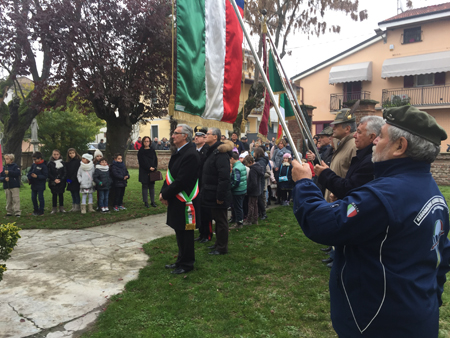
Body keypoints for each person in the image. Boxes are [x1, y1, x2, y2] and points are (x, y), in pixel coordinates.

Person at [291, 105, 450, 338]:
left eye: (382, 136)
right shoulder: (433, 193)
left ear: (400, 146)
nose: (375, 141)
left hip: (378, 323)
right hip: (417, 315)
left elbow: (322, 224)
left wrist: (304, 183)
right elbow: (441, 257)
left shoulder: (385, 195)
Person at [160, 124, 201, 274]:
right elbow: (170, 176)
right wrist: (163, 192)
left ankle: (187, 264)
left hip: (185, 201)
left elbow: (182, 181)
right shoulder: (179, 152)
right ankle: (180, 260)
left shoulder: (190, 154)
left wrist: (166, 194)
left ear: (185, 136)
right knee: (179, 231)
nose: (172, 136)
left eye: (176, 133)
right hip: (177, 200)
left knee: (186, 234)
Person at [315, 116, 384, 200]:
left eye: (359, 132)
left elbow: (351, 188)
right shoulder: (350, 148)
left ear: (371, 137)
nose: (355, 135)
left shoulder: (369, 159)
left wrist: (325, 173)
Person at [202, 128, 233, 255]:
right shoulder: (212, 151)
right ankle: (217, 243)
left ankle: (222, 248)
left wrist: (220, 196)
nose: (205, 136)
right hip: (211, 191)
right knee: (217, 219)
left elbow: (224, 177)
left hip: (218, 193)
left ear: (215, 137)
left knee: (221, 220)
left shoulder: (221, 153)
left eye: (207, 134)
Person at [323, 109, 357, 202]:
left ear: (347, 128)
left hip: (341, 202)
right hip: (334, 202)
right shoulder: (341, 144)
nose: (333, 128)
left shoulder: (354, 146)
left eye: (336, 125)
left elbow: (354, 182)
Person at [193, 126, 212, 243]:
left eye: (199, 136)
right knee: (198, 210)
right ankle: (201, 233)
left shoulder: (207, 150)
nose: (196, 138)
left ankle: (208, 234)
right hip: (196, 184)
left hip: (204, 184)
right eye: (195, 136)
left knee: (206, 211)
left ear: (204, 138)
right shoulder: (194, 150)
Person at [243, 155, 264, 225]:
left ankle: (249, 220)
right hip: (257, 189)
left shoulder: (252, 170)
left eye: (247, 164)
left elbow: (253, 182)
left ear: (250, 162)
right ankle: (255, 219)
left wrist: (248, 189)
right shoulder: (258, 168)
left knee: (251, 205)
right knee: (255, 205)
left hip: (253, 190)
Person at [138, 136, 158, 208]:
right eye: (145, 141)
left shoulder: (152, 150)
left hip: (152, 171)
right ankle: (146, 202)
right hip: (144, 171)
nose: (147, 143)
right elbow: (141, 162)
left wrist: (154, 167)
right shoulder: (141, 151)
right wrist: (148, 168)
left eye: (148, 141)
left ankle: (153, 201)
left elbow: (155, 159)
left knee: (152, 186)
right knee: (145, 186)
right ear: (143, 142)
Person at [229, 152, 247, 229]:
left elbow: (236, 181)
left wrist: (231, 187)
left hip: (238, 190)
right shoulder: (242, 165)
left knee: (237, 207)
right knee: (240, 206)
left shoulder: (236, 168)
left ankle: (239, 223)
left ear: (232, 158)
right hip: (243, 189)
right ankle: (240, 221)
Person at [27, 152, 48, 216]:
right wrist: (29, 177)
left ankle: (41, 211)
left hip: (40, 184)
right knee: (33, 197)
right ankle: (35, 210)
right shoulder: (33, 165)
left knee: (40, 198)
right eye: (33, 159)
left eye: (35, 159)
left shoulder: (43, 166)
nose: (34, 161)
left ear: (40, 158)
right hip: (34, 184)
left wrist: (37, 176)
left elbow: (45, 176)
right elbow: (30, 172)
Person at [47, 149, 67, 214]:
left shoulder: (63, 163)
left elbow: (65, 172)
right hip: (53, 181)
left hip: (61, 181)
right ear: (52, 155)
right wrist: (54, 179)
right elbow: (48, 173)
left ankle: (61, 208)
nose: (56, 156)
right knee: (54, 194)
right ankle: (54, 208)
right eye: (54, 154)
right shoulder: (50, 163)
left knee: (61, 194)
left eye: (57, 154)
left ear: (60, 155)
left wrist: (61, 179)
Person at [254, 147, 268, 219]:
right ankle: (260, 212)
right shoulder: (259, 160)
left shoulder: (261, 162)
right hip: (258, 180)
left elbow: (260, 172)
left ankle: (263, 213)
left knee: (259, 198)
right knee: (258, 197)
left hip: (259, 181)